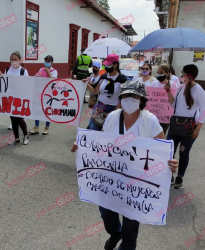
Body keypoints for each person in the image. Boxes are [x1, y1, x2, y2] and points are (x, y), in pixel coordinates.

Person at [71, 80, 178, 250]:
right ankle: (115, 233)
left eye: (134, 96)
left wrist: (170, 164)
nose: (129, 99)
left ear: (141, 99)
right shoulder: (113, 117)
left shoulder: (150, 120)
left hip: (137, 182)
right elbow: (101, 144)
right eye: (126, 95)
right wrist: (83, 148)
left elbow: (161, 150)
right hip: (111, 177)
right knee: (106, 214)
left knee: (131, 227)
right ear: (121, 98)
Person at [165, 64, 205, 188]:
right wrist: (168, 91)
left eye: (183, 73)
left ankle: (180, 177)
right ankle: (170, 176)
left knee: (184, 152)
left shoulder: (199, 90)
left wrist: (198, 129)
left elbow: (204, 110)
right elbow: (173, 105)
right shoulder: (180, 88)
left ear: (189, 75)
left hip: (190, 126)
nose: (181, 75)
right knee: (169, 151)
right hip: (175, 124)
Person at [85, 54, 127, 131]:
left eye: (109, 65)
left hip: (113, 109)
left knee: (108, 133)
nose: (106, 67)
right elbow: (95, 92)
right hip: (99, 108)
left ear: (115, 65)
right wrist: (86, 84)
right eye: (105, 65)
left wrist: (115, 110)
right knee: (93, 130)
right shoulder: (103, 77)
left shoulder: (122, 80)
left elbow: (124, 98)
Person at [0, 51, 29, 145]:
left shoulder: (23, 71)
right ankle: (17, 138)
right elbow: (5, 81)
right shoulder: (8, 69)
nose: (14, 61)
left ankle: (26, 135)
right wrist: (1, 76)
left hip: (19, 98)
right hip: (10, 97)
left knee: (19, 118)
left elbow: (27, 84)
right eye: (12, 60)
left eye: (16, 59)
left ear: (19, 60)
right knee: (13, 118)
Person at [30, 55, 58, 135]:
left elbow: (53, 81)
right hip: (40, 91)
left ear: (52, 62)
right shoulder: (41, 69)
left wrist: (48, 72)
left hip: (49, 93)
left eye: (48, 61)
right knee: (37, 108)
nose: (47, 63)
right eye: (46, 61)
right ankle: (36, 127)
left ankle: (46, 127)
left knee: (47, 110)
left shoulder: (54, 71)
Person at [151, 64, 180, 133]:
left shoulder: (174, 85)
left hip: (166, 116)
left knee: (162, 133)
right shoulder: (154, 84)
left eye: (161, 73)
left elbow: (176, 100)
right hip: (154, 114)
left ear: (167, 73)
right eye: (158, 73)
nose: (159, 74)